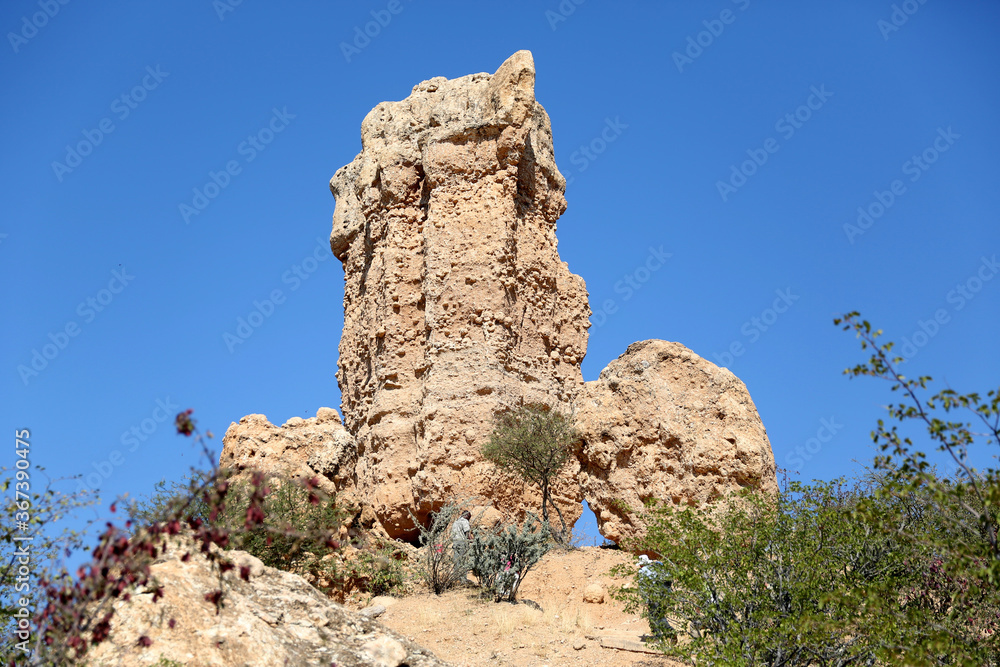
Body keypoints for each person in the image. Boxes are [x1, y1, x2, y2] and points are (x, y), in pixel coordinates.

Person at [637, 555, 674, 642]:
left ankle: (660, 636)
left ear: (641, 564)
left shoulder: (642, 571)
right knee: (660, 614)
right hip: (665, 595)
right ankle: (669, 633)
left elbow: (643, 587)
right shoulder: (656, 568)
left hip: (654, 595)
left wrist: (645, 601)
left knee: (653, 616)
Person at [450, 510, 472, 581]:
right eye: (469, 518)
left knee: (457, 561)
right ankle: (463, 579)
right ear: (467, 516)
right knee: (463, 561)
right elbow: (467, 533)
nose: (469, 520)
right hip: (462, 542)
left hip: (455, 542)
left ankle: (456, 579)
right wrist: (472, 540)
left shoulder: (455, 522)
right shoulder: (465, 521)